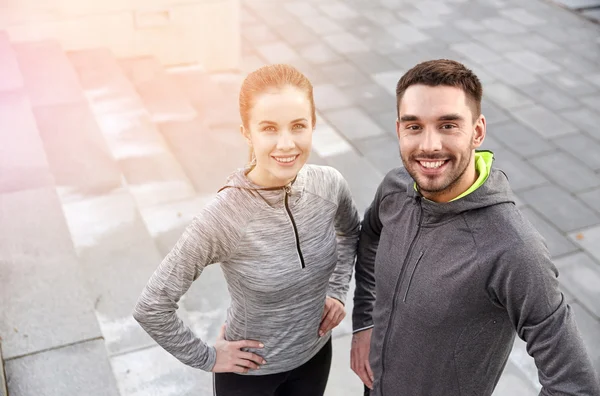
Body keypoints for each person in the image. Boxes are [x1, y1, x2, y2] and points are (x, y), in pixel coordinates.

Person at [350, 59, 600, 396]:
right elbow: (370, 239)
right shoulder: (395, 188)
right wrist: (365, 321)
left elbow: (575, 385)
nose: (429, 145)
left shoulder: (513, 248)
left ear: (477, 132)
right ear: (399, 130)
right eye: (414, 126)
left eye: (448, 125)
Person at [133, 64, 360, 396]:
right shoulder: (223, 217)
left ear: (313, 125)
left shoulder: (329, 184)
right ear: (247, 132)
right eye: (269, 128)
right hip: (250, 376)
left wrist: (338, 291)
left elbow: (350, 233)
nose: (286, 144)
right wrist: (207, 357)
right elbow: (152, 307)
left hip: (315, 358)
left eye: (298, 126)